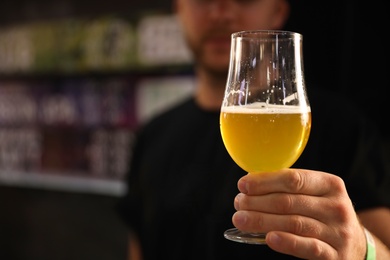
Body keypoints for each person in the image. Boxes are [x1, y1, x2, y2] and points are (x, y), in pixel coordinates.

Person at [117, 0, 390, 259]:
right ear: (179, 9)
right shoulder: (152, 136)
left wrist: (361, 250)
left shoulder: (343, 129)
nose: (221, 12)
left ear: (278, 11)